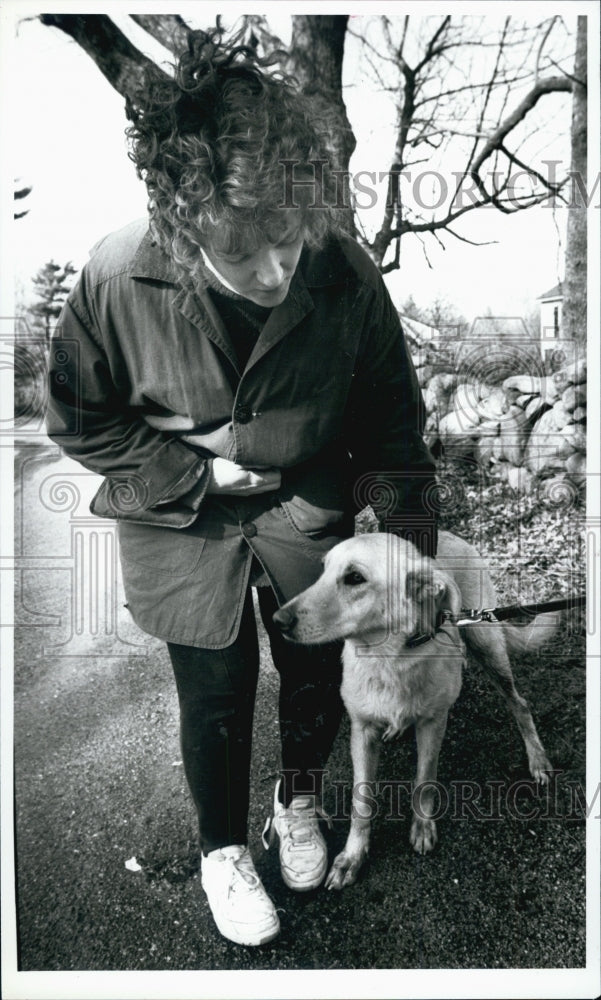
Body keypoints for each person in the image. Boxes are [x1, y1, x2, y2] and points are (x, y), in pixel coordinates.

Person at [46, 29, 437, 947]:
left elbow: (393, 431)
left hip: (304, 492)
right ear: (186, 233)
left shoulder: (345, 274)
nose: (275, 272)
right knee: (215, 683)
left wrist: (415, 569)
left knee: (315, 661)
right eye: (243, 254)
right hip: (178, 507)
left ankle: (296, 800)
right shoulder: (113, 277)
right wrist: (198, 469)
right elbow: (77, 420)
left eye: (286, 241)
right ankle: (222, 847)